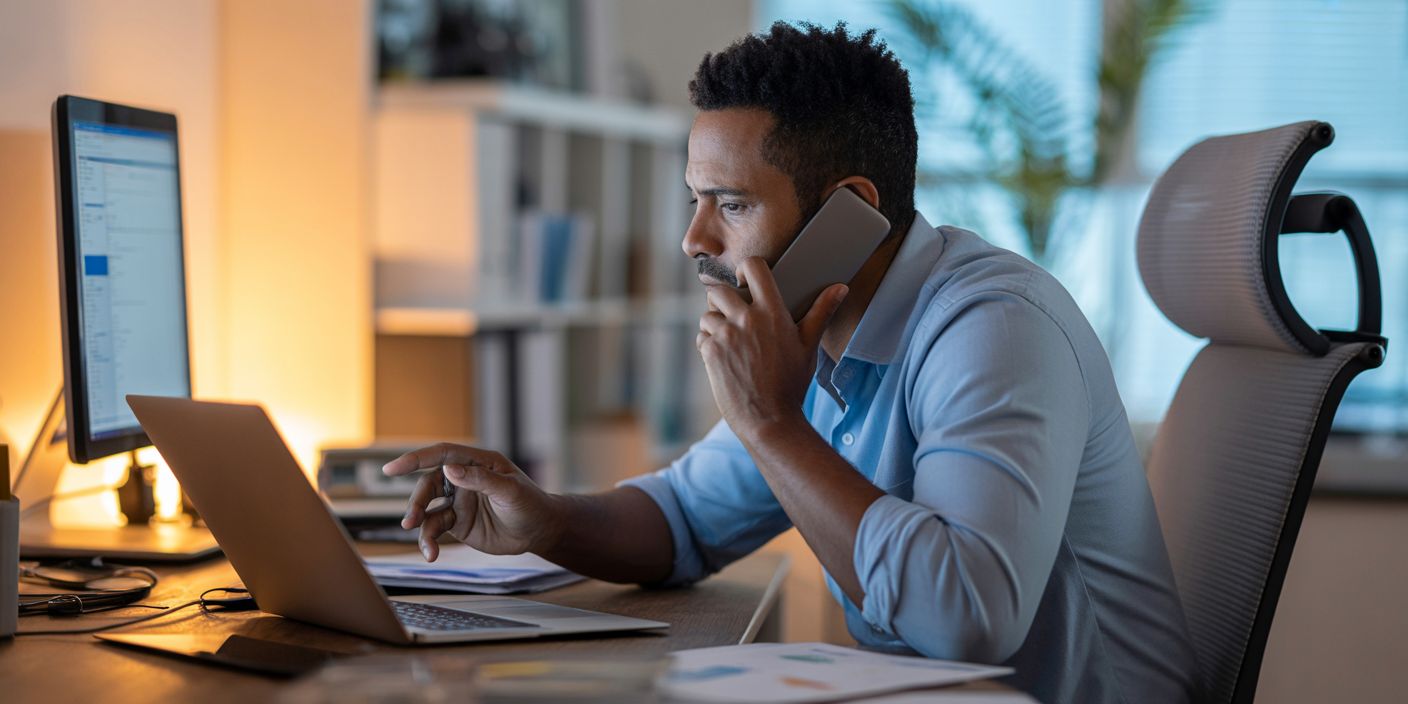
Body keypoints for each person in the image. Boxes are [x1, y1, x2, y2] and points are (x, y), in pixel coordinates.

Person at [384, 21, 1196, 704]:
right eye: (696, 201)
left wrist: (770, 422)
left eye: (731, 206)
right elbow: (683, 522)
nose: (695, 241)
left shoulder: (995, 328)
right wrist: (546, 519)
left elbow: (967, 620)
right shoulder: (814, 336)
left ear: (852, 212)